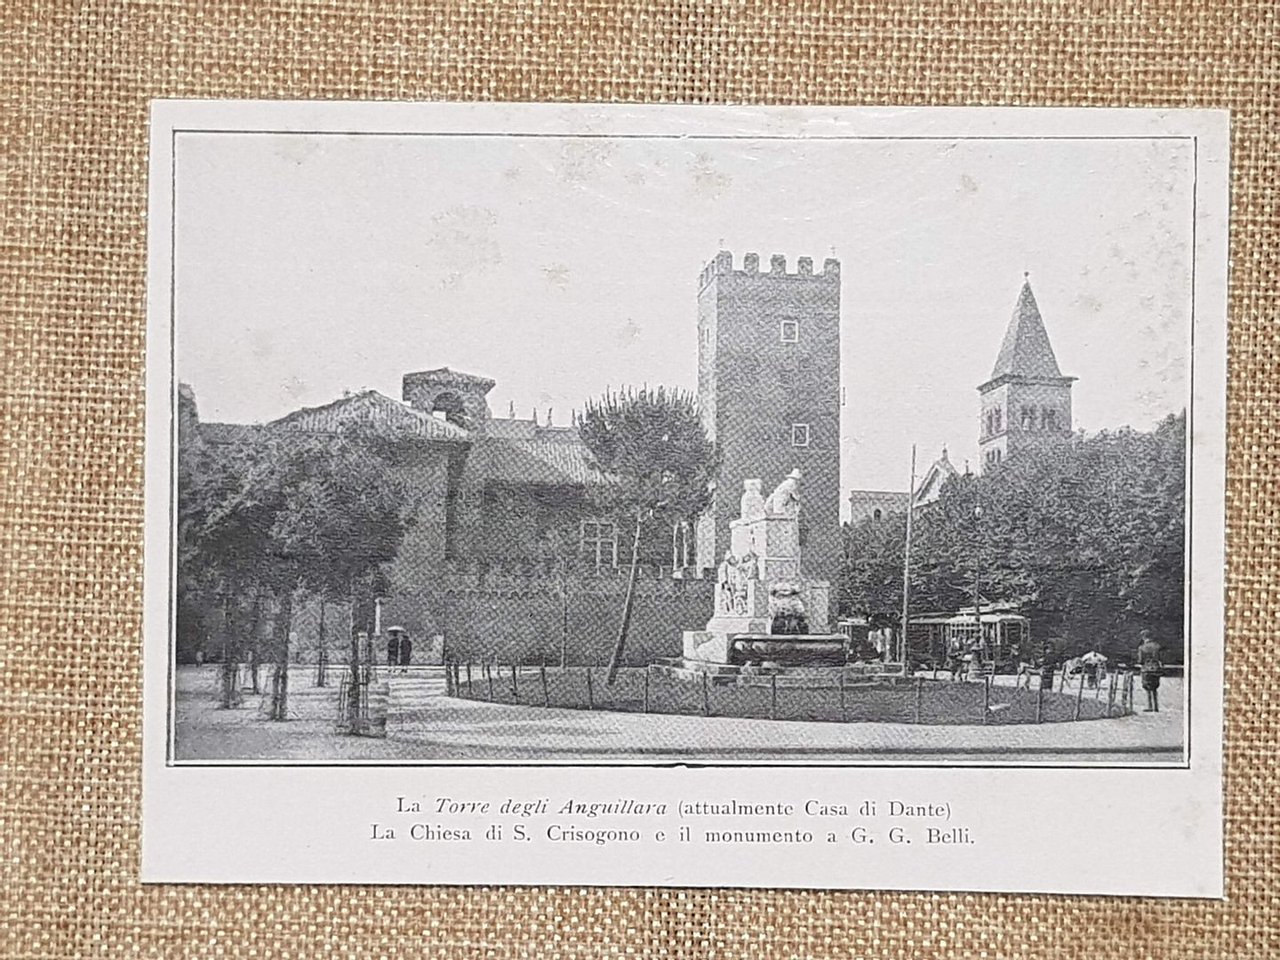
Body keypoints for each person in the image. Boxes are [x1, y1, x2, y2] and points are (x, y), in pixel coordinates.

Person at [1137, 630, 1163, 712]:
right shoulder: (1157, 646)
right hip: (1156, 668)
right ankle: (1156, 706)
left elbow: (1140, 660)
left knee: (1147, 687)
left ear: (1143, 637)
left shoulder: (1141, 648)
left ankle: (1150, 706)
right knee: (1154, 687)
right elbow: (1160, 658)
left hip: (1146, 669)